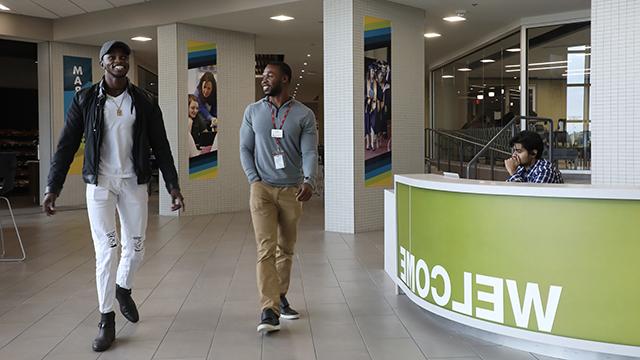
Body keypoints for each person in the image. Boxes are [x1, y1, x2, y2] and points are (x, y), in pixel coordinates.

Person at [42, 40, 185, 352]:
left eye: (124, 57)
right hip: (101, 185)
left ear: (128, 63)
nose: (119, 61)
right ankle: (106, 319)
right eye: (112, 57)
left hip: (134, 182)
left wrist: (172, 185)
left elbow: (160, 145)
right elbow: (67, 145)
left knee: (135, 250)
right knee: (107, 251)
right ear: (102, 63)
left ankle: (123, 289)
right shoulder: (85, 99)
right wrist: (53, 186)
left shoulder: (144, 100)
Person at [239, 61, 318, 334]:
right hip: (261, 189)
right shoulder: (253, 111)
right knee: (266, 248)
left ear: (285, 78)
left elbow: (309, 152)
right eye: (263, 75)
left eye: (270, 75)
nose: (264, 79)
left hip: (292, 190)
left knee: (286, 248)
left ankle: (280, 295)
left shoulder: (304, 114)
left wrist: (310, 180)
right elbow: (244, 148)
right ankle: (268, 309)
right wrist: (253, 179)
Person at [194, 71, 218, 151]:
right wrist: (211, 118)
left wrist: (215, 119)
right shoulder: (197, 94)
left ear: (213, 88)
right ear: (201, 85)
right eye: (204, 87)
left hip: (211, 119)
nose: (206, 91)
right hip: (201, 120)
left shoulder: (216, 93)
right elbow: (201, 109)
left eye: (209, 88)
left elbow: (215, 108)